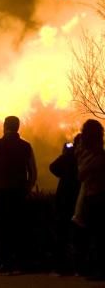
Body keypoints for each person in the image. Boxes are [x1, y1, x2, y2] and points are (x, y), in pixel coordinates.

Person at [0, 115, 37, 275]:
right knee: (19, 226)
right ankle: (19, 263)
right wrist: (27, 188)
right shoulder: (26, 146)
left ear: (5, 126)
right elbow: (33, 171)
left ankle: (4, 263)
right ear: (18, 127)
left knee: (1, 226)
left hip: (1, 190)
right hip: (19, 191)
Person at [75, 119, 105, 280]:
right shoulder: (99, 155)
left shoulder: (95, 157)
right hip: (96, 197)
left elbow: (81, 175)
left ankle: (96, 269)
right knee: (98, 235)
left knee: (95, 235)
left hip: (95, 198)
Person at [49, 135, 81, 276]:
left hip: (64, 200)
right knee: (79, 234)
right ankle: (79, 267)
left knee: (62, 234)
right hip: (80, 199)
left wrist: (64, 155)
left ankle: (61, 267)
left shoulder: (68, 157)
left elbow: (53, 167)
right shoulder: (90, 157)